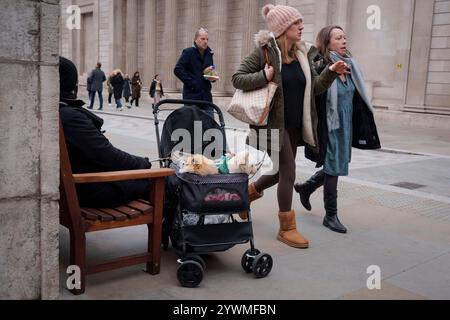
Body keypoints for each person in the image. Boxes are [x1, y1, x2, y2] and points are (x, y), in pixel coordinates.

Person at [232, 4, 349, 249]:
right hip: (275, 125)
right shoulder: (264, 52)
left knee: (277, 172)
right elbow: (238, 78)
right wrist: (264, 76)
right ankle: (287, 228)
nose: (301, 26)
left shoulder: (302, 54)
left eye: (300, 22)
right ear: (284, 28)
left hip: (296, 124)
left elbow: (314, 88)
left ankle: (246, 195)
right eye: (297, 23)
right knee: (289, 171)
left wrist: (329, 71)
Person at [294, 25, 381, 234]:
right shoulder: (319, 64)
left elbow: (356, 96)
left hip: (346, 123)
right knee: (334, 168)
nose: (344, 41)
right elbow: (314, 92)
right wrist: (330, 71)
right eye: (338, 38)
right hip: (329, 124)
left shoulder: (350, 66)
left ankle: (307, 187)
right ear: (327, 42)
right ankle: (330, 215)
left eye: (345, 37)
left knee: (339, 164)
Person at [58, 56, 153, 208]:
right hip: (90, 189)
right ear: (70, 83)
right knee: (163, 182)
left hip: (74, 187)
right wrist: (143, 162)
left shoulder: (56, 111)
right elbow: (109, 156)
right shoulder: (70, 117)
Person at [174, 27, 216, 116]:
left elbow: (210, 70)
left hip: (206, 97)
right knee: (193, 126)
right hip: (192, 97)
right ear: (196, 39)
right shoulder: (188, 52)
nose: (206, 42)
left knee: (210, 126)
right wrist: (192, 83)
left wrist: (212, 77)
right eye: (203, 39)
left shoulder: (209, 53)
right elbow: (178, 69)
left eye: (207, 39)